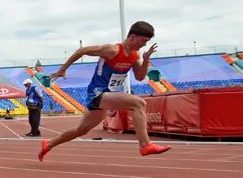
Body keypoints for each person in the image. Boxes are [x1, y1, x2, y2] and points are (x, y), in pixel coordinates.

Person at [39, 21, 170, 160]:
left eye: (147, 42)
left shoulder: (133, 55)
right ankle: (145, 145)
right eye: (143, 41)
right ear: (132, 36)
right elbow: (82, 50)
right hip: (97, 93)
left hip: (109, 96)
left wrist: (145, 60)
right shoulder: (112, 50)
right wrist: (62, 70)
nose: (144, 45)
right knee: (139, 103)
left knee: (82, 130)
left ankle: (48, 144)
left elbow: (139, 77)